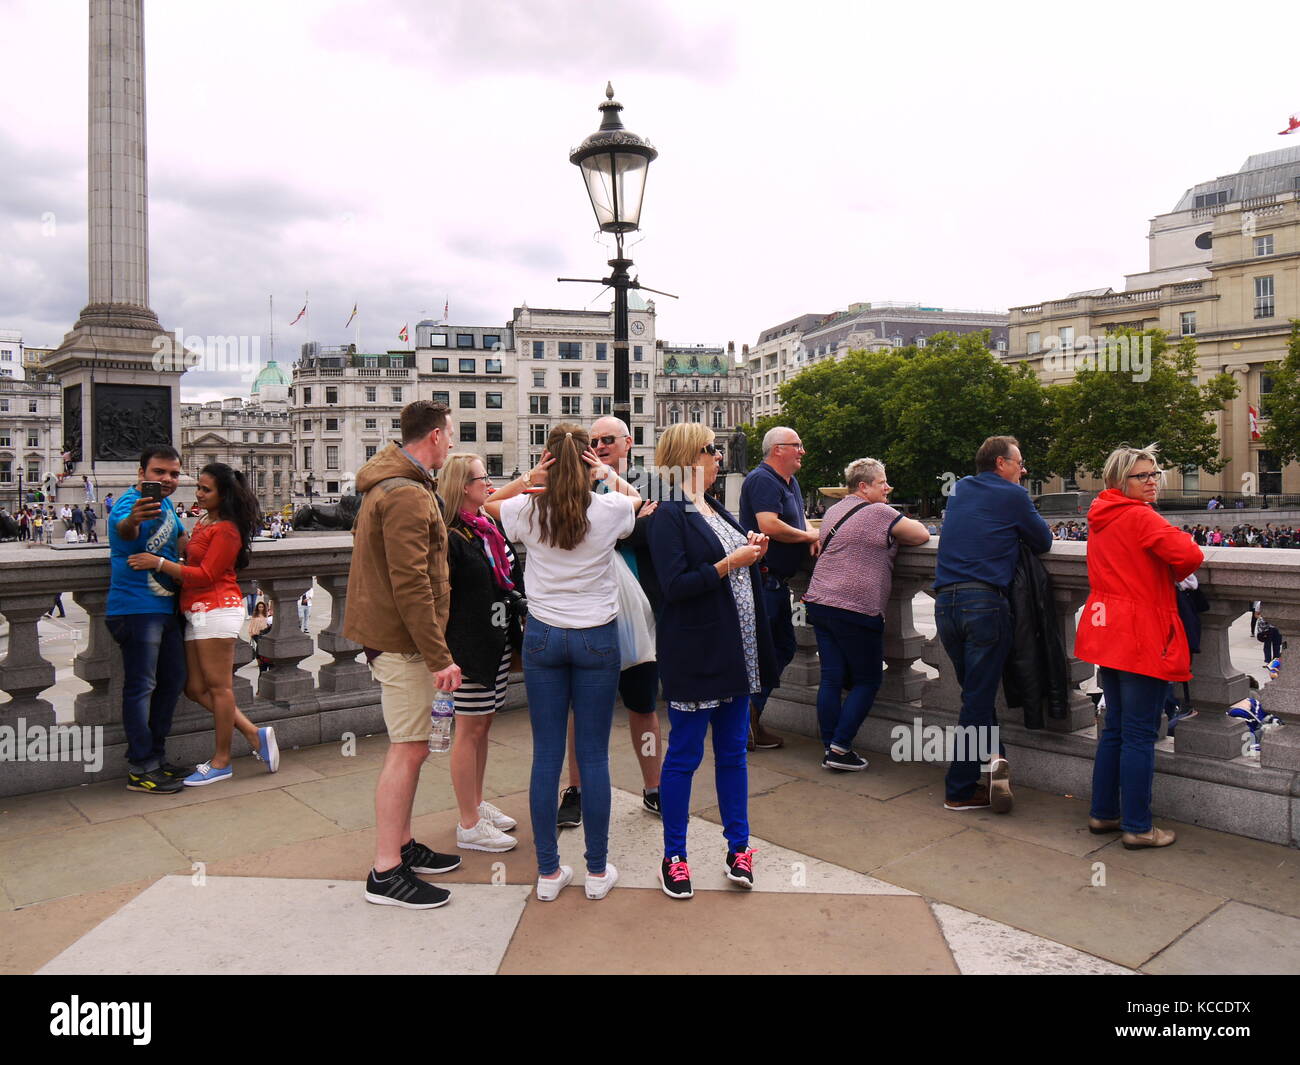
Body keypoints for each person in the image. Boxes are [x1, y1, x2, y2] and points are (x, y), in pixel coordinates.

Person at [497, 423, 644, 903]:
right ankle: (597, 871)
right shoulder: (608, 508)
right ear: (586, 462)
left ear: (548, 459)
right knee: (595, 756)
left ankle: (547, 872)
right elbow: (638, 499)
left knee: (546, 757)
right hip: (596, 637)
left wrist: (528, 477)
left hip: (542, 638)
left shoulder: (525, 509)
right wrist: (603, 471)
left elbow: (480, 503)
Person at [648, 423, 776, 898]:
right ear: (688, 456)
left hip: (735, 651)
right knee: (684, 755)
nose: (719, 457)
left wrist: (751, 551)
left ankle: (738, 848)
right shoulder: (668, 513)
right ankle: (674, 856)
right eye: (711, 450)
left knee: (733, 755)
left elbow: (728, 562)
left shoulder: (714, 507)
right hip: (697, 652)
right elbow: (675, 586)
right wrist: (731, 564)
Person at [345, 400, 463, 910]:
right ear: (435, 436)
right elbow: (412, 584)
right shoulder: (408, 495)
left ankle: (402, 846)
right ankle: (386, 871)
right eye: (451, 434)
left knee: (410, 746)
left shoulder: (390, 485)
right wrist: (439, 657)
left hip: (393, 639)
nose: (453, 444)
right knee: (409, 748)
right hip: (405, 644)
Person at [1075, 445, 1202, 849]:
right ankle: (1138, 826)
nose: (1152, 481)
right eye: (1142, 476)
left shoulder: (1102, 514)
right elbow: (1189, 554)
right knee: (1139, 734)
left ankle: (1103, 813)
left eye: (1154, 474)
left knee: (1114, 727)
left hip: (1107, 629)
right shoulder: (1141, 516)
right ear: (1119, 481)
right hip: (1142, 632)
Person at [129, 463, 277, 786]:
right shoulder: (205, 520)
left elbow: (208, 574)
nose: (198, 493)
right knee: (194, 687)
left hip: (217, 609)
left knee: (219, 688)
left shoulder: (226, 528)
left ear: (223, 494)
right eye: (198, 487)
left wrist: (159, 563)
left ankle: (222, 761)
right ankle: (254, 733)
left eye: (206, 489)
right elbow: (194, 561)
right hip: (195, 609)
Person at [933, 435, 1052, 813]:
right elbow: (1044, 540)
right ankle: (960, 786)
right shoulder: (1012, 494)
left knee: (977, 694)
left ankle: (995, 763)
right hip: (983, 603)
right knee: (976, 698)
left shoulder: (961, 489)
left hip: (945, 604)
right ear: (1001, 463)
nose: (1023, 469)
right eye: (1019, 463)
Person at [556, 415, 664, 830]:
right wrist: (627, 521)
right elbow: (573, 530)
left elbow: (653, 533)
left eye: (606, 440)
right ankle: (577, 790)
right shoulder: (574, 481)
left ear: (627, 442)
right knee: (580, 710)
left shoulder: (652, 483)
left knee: (643, 705)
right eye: (592, 440)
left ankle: (653, 788)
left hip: (640, 615)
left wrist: (622, 523)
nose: (598, 446)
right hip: (584, 612)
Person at [803, 458, 930, 771]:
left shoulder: (834, 510)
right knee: (868, 679)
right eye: (882, 482)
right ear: (863, 486)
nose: (888, 487)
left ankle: (829, 744)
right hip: (856, 606)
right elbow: (919, 534)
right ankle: (840, 747)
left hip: (820, 600)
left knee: (831, 677)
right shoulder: (879, 512)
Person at [439, 452, 528, 853]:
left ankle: (475, 802)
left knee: (484, 725)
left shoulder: (486, 526)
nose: (487, 483)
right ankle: (468, 822)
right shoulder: (451, 535)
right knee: (469, 729)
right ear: (462, 486)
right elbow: (442, 598)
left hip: (496, 640)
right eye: (480, 478)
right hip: (469, 647)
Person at [107, 446, 191, 795]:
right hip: (136, 609)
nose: (167, 480)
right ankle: (140, 767)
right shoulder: (130, 504)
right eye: (159, 472)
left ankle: (156, 758)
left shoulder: (167, 503)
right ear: (141, 473)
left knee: (172, 681)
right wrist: (135, 519)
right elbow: (124, 531)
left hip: (165, 606)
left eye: (173, 474)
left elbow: (182, 540)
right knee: (141, 687)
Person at [739, 426, 820, 750]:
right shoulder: (761, 479)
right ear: (777, 450)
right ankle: (746, 720)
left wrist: (809, 532)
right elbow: (768, 525)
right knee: (767, 652)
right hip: (763, 580)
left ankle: (751, 718)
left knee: (780, 649)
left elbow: (799, 518)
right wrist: (809, 537)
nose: (802, 451)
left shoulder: (790, 481)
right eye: (796, 445)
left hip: (777, 582)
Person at [248, 600, 273, 672]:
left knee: (260, 646)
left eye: (262, 607)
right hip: (255, 634)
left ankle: (260, 659)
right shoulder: (255, 615)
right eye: (259, 607)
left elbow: (268, 624)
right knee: (259, 645)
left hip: (264, 634)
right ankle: (259, 659)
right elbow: (251, 624)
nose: (261, 608)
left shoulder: (267, 615)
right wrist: (250, 633)